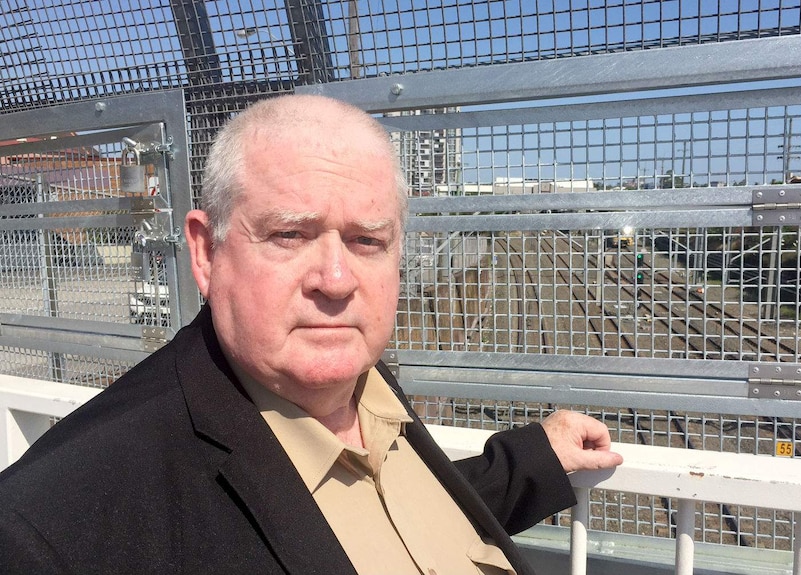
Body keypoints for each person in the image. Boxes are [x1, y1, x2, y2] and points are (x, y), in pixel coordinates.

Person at [0, 94, 622, 574]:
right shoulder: (52, 527)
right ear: (206, 253)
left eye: (367, 241)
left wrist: (535, 461)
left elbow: (379, 505)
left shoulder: (364, 388)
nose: (335, 279)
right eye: (289, 235)